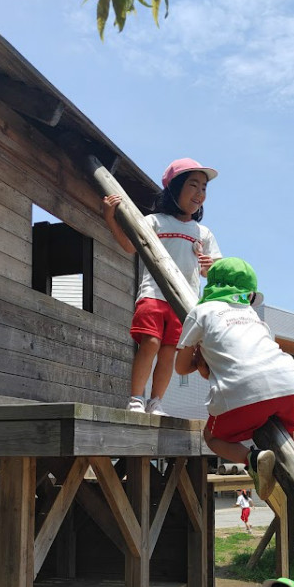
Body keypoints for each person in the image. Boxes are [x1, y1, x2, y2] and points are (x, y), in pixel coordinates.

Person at [174, 258, 294, 500]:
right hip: (288, 382)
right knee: (288, 427)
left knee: (212, 437)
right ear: (247, 295)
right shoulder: (254, 317)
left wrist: (200, 358)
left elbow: (181, 367)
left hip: (243, 391)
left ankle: (253, 460)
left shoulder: (201, 311)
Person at [103, 158, 222, 415]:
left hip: (185, 302)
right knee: (151, 343)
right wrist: (111, 218)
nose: (200, 193)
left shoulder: (203, 232)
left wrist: (207, 265)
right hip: (153, 293)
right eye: (193, 185)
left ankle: (155, 402)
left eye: (204, 188)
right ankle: (136, 399)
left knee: (169, 352)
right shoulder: (155, 221)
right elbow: (129, 246)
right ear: (174, 188)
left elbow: (212, 271)